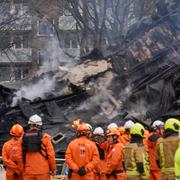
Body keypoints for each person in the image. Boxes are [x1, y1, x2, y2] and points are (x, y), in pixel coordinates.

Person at [22, 114, 56, 180]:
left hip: (29, 171)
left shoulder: (23, 137)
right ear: (40, 125)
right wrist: (53, 169)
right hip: (43, 172)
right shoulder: (45, 137)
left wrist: (22, 168)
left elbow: (20, 155)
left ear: (29, 124)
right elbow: (51, 155)